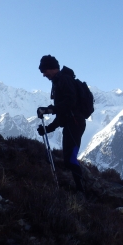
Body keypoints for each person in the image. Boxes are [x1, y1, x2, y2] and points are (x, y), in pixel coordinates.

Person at [37, 55, 86, 195]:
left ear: (52, 68)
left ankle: (81, 191)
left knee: (70, 158)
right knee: (68, 158)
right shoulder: (59, 81)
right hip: (72, 123)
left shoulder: (64, 80)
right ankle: (79, 188)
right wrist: (48, 129)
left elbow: (69, 103)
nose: (44, 74)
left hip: (75, 123)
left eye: (44, 71)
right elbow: (62, 114)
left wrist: (49, 110)